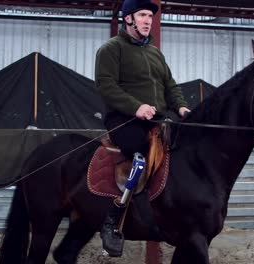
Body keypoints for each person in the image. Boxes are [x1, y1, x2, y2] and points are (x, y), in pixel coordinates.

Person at [94, 0, 190, 257]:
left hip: (156, 119)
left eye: (150, 15)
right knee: (140, 152)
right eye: (143, 15)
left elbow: (171, 85)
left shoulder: (155, 53)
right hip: (124, 120)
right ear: (128, 19)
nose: (148, 20)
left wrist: (181, 107)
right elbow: (107, 87)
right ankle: (114, 220)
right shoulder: (111, 50)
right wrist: (136, 107)